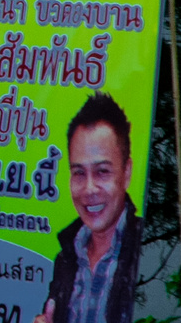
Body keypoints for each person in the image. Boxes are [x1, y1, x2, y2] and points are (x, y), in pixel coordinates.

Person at [35, 91, 143, 323]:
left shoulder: (142, 252)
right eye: (79, 173)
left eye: (102, 171)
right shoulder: (67, 257)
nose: (89, 189)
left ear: (127, 173)